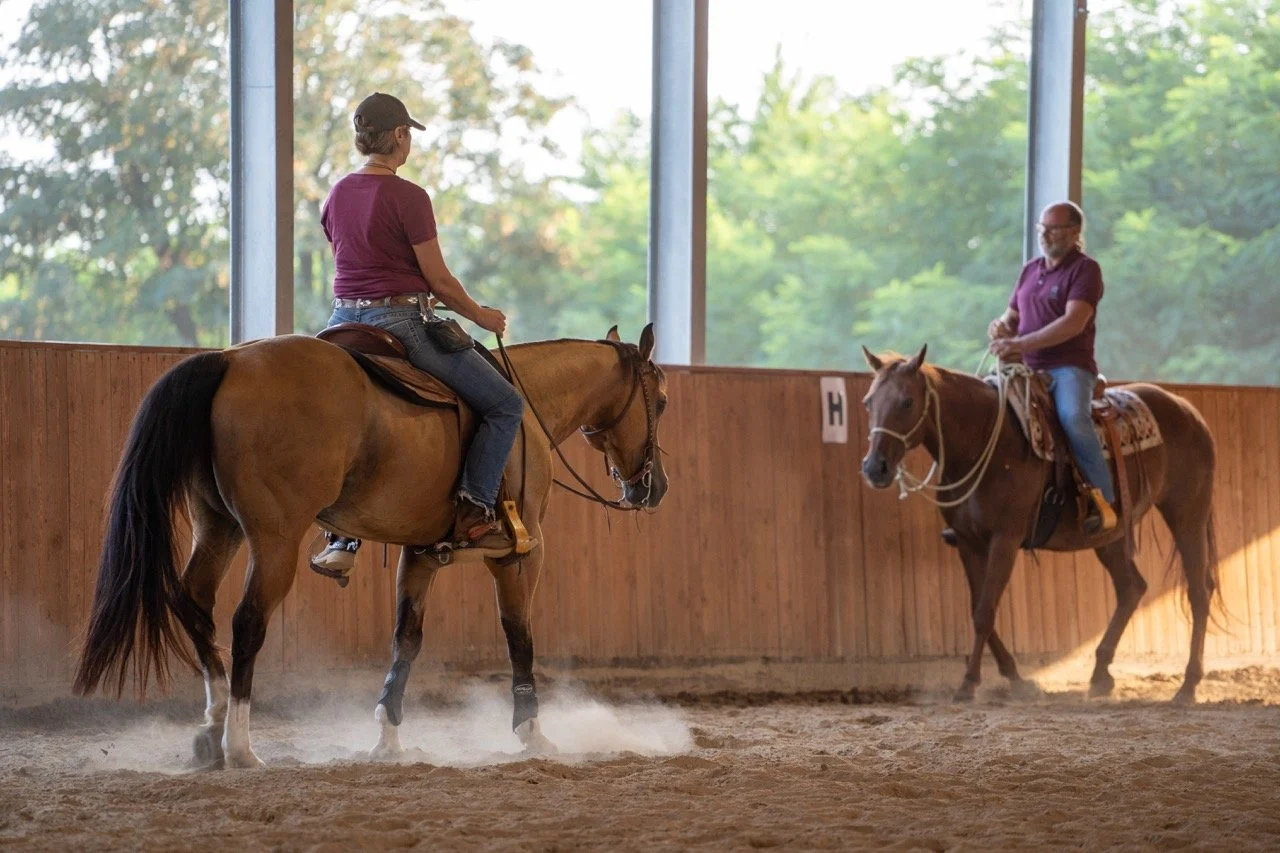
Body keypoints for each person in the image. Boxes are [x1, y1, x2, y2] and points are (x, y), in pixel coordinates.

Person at [312, 92, 524, 576]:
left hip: (341, 323)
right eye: (409, 135)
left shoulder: (337, 194)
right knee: (505, 404)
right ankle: (474, 509)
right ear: (401, 136)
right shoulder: (410, 197)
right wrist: (482, 317)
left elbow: (349, 259)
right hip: (401, 323)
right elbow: (440, 281)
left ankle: (341, 536)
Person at [988, 201, 1117, 534]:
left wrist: (1019, 344)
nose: (1044, 234)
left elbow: (1073, 323)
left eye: (1054, 228)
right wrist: (1000, 327)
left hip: (1068, 367)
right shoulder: (1031, 270)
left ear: (1074, 232)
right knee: (987, 411)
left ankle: (1104, 499)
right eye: (1041, 227)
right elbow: (1012, 316)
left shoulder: (1085, 270)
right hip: (1025, 368)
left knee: (1073, 417)